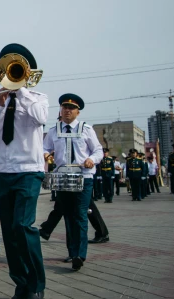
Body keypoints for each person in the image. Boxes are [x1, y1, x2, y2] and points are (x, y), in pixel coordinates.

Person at [0, 43, 47, 299]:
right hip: (3, 172)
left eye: (16, 69)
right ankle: (21, 284)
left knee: (23, 226)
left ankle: (36, 284)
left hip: (28, 171)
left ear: (26, 72)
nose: (11, 73)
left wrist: (21, 91)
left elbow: (40, 118)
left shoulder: (38, 98)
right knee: (9, 231)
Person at [43, 93, 103, 271]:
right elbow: (44, 147)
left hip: (83, 177)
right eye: (64, 107)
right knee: (68, 216)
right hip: (62, 178)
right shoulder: (54, 130)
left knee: (80, 215)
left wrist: (92, 159)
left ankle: (79, 254)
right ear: (60, 110)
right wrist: (46, 154)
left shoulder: (86, 129)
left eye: (71, 108)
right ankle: (72, 252)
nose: (67, 110)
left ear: (78, 112)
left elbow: (98, 150)